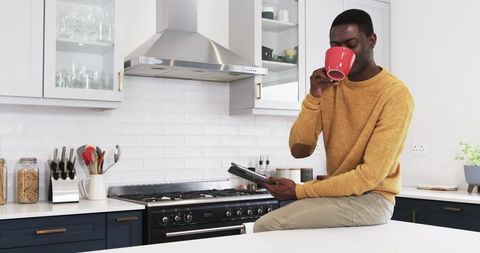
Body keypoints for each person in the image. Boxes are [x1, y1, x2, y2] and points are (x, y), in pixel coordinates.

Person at [254, 9, 414, 232]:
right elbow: (299, 150)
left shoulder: (394, 94)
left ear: (372, 40)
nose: (343, 52)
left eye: (351, 44)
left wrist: (299, 190)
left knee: (267, 225)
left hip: (373, 199)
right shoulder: (330, 86)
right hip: (338, 193)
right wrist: (314, 96)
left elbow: (369, 177)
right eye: (335, 47)